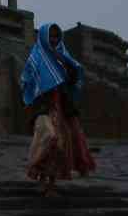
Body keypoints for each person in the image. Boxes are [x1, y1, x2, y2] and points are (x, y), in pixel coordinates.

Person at [20, 23, 96, 197]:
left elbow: (73, 79)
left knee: (61, 146)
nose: (54, 40)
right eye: (51, 36)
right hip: (43, 108)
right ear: (44, 37)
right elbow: (26, 80)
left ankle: (51, 184)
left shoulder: (63, 57)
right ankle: (41, 179)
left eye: (56, 36)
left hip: (61, 109)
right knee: (49, 139)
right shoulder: (36, 57)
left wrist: (68, 65)